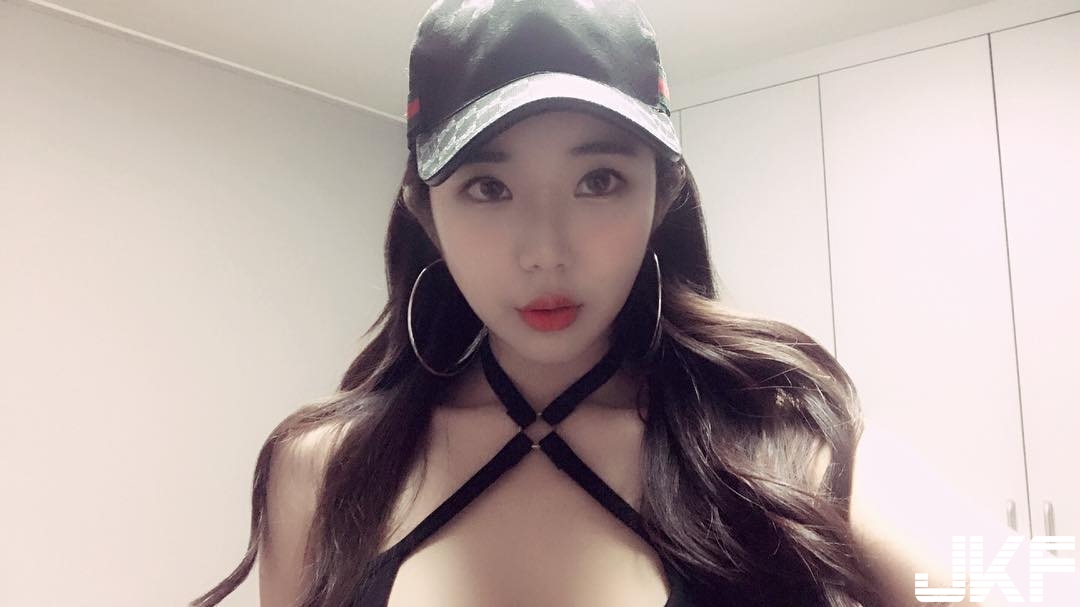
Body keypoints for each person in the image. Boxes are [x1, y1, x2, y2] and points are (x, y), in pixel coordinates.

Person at [192, 1, 1021, 606]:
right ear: (425, 213)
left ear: (662, 196)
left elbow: (1027, 578)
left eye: (599, 180)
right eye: (487, 186)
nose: (545, 249)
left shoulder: (779, 452)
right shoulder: (324, 470)